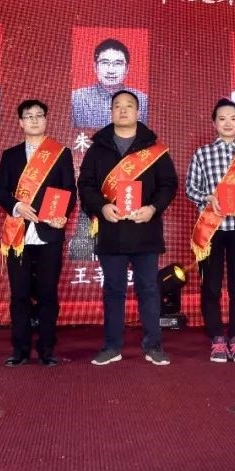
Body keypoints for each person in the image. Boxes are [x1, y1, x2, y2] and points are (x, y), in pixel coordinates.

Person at [78, 90, 177, 366]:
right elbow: (85, 185)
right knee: (113, 290)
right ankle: (111, 347)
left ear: (138, 111)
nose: (123, 110)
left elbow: (168, 184)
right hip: (111, 231)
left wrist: (153, 208)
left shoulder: (154, 149)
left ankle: (153, 346)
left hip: (145, 230)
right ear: (111, 112)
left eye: (129, 106)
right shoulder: (98, 148)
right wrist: (102, 207)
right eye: (117, 106)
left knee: (148, 289)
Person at [0, 99, 77, 367]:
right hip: (18, 233)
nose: (34, 120)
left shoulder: (60, 153)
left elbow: (69, 190)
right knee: (19, 294)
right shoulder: (11, 155)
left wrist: (62, 214)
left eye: (39, 115)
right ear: (20, 122)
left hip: (48, 233)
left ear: (46, 120)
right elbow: (0, 191)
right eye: (28, 116)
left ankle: (47, 349)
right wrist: (17, 206)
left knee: (47, 294)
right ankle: (19, 349)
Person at [184, 98, 235, 363]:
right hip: (211, 229)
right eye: (222, 118)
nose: (228, 123)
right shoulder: (202, 154)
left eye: (233, 118)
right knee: (211, 286)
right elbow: (190, 188)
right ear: (214, 123)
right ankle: (216, 337)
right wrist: (208, 198)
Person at [71, 38, 150, 128]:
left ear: (127, 69)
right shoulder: (76, 99)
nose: (111, 70)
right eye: (105, 63)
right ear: (95, 67)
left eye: (118, 63)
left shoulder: (142, 101)